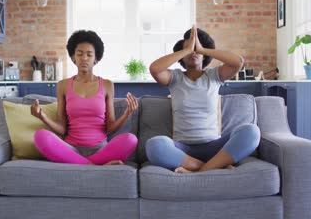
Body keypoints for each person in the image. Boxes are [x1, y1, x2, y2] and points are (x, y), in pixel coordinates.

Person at [145, 26, 260, 173]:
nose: (193, 51)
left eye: (196, 48)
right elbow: (155, 69)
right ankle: (212, 167)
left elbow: (237, 62)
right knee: (154, 145)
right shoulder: (175, 78)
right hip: (182, 150)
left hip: (214, 147)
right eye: (188, 48)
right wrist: (187, 49)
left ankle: (197, 170)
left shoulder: (214, 76)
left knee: (252, 131)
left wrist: (201, 48)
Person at [31, 30, 138, 165]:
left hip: (100, 149)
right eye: (80, 54)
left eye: (89, 54)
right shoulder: (63, 85)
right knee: (40, 136)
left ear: (96, 58)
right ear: (73, 57)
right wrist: (43, 117)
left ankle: (81, 164)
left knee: (131, 139)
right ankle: (93, 165)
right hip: (71, 149)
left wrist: (127, 113)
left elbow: (110, 128)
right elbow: (62, 128)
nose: (84, 58)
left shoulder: (107, 85)